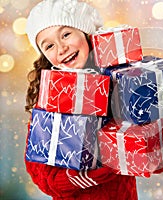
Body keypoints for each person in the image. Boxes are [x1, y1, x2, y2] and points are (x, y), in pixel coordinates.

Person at [24, 0, 138, 199]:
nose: (61, 48)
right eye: (49, 45)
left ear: (86, 33)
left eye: (66, 34)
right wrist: (102, 166)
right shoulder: (49, 103)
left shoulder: (121, 81)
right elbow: (45, 180)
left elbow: (152, 151)